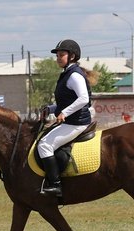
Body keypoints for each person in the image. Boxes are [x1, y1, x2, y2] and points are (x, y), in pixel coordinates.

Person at [37, 39, 92, 197]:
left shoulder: (74, 75)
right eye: (57, 56)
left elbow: (83, 99)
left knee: (44, 145)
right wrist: (51, 109)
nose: (58, 58)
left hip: (76, 123)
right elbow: (66, 101)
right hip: (71, 120)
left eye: (61, 55)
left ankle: (56, 185)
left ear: (72, 56)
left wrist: (65, 113)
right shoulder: (67, 73)